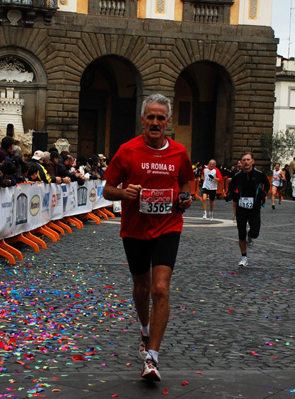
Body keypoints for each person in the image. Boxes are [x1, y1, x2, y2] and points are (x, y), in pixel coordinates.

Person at [103, 93, 194, 381]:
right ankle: (144, 329)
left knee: (160, 289)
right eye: (150, 117)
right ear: (143, 120)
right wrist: (124, 192)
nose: (155, 122)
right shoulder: (127, 151)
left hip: (168, 225)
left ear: (168, 121)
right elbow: (106, 190)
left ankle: (152, 358)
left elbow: (186, 180)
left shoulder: (179, 152)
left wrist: (186, 196)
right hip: (135, 228)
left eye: (160, 117)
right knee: (142, 289)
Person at [227, 152, 270, 267]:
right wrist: (229, 194)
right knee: (241, 234)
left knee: (255, 233)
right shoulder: (237, 176)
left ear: (252, 161)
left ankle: (250, 236)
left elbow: (267, 184)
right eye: (244, 160)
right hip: (241, 208)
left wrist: (264, 193)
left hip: (255, 207)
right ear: (240, 162)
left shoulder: (259, 174)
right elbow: (231, 188)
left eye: (248, 159)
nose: (246, 162)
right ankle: (243, 257)